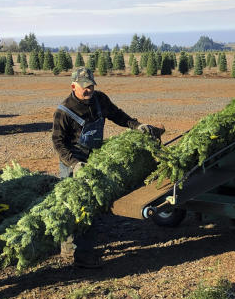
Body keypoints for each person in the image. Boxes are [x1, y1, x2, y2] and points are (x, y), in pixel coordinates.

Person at [51, 66, 162, 267]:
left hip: (94, 160)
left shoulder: (100, 100)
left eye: (91, 86)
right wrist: (75, 164)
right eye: (85, 87)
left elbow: (118, 115)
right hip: (73, 163)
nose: (89, 90)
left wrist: (137, 126)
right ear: (73, 86)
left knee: (90, 206)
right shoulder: (64, 111)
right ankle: (73, 252)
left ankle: (81, 252)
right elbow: (58, 143)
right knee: (73, 206)